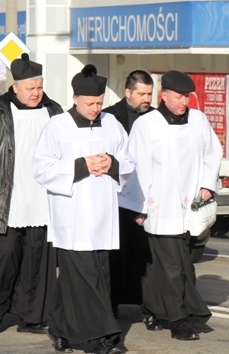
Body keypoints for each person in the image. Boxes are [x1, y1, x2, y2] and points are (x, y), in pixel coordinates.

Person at [33, 64, 134, 354]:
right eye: (90, 103)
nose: (95, 109)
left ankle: (60, 326)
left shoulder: (112, 124)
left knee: (94, 274)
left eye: (100, 103)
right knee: (86, 277)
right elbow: (41, 168)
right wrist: (81, 165)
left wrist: (112, 164)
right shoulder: (57, 126)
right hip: (72, 215)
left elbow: (129, 162)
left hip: (103, 215)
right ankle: (101, 338)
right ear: (76, 98)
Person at [0, 53, 62, 336]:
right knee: (2, 259)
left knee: (38, 261)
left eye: (40, 87)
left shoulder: (54, 111)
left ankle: (32, 316)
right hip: (3, 202)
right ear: (15, 87)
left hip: (44, 201)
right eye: (30, 88)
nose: (36, 93)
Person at [127, 70, 222, 341]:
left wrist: (207, 184)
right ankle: (181, 319)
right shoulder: (147, 125)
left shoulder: (199, 120)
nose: (183, 102)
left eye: (187, 97)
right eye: (178, 96)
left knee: (178, 265)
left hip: (192, 208)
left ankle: (154, 309)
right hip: (161, 207)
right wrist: (139, 206)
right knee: (173, 267)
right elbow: (137, 166)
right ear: (164, 95)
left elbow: (212, 154)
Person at [102, 70, 154, 316]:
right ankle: (111, 305)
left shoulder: (155, 118)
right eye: (141, 94)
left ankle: (149, 307)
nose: (147, 99)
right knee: (116, 254)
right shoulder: (110, 117)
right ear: (128, 92)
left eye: (150, 94)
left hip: (146, 197)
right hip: (115, 197)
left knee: (145, 255)